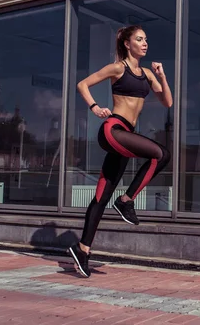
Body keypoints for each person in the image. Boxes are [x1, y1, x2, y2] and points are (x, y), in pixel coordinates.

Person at [68, 25, 172, 277]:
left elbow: (167, 101)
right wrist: (95, 107)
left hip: (125, 138)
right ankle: (125, 201)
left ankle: (82, 250)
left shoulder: (147, 73)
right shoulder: (118, 68)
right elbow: (83, 84)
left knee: (101, 198)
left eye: (146, 39)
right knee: (161, 154)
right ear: (127, 44)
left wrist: (162, 76)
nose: (145, 43)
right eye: (139, 39)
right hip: (113, 130)